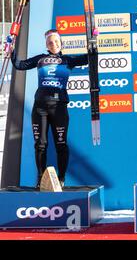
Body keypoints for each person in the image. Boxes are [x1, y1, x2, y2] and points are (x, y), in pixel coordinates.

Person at [11, 29, 89, 188]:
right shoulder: (40, 59)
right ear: (46, 45)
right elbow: (19, 65)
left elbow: (88, 58)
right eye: (50, 42)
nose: (53, 44)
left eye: (56, 42)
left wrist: (94, 43)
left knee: (61, 144)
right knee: (40, 144)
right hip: (40, 107)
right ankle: (40, 180)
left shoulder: (68, 60)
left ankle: (61, 179)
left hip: (59, 107)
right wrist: (11, 50)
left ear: (61, 43)